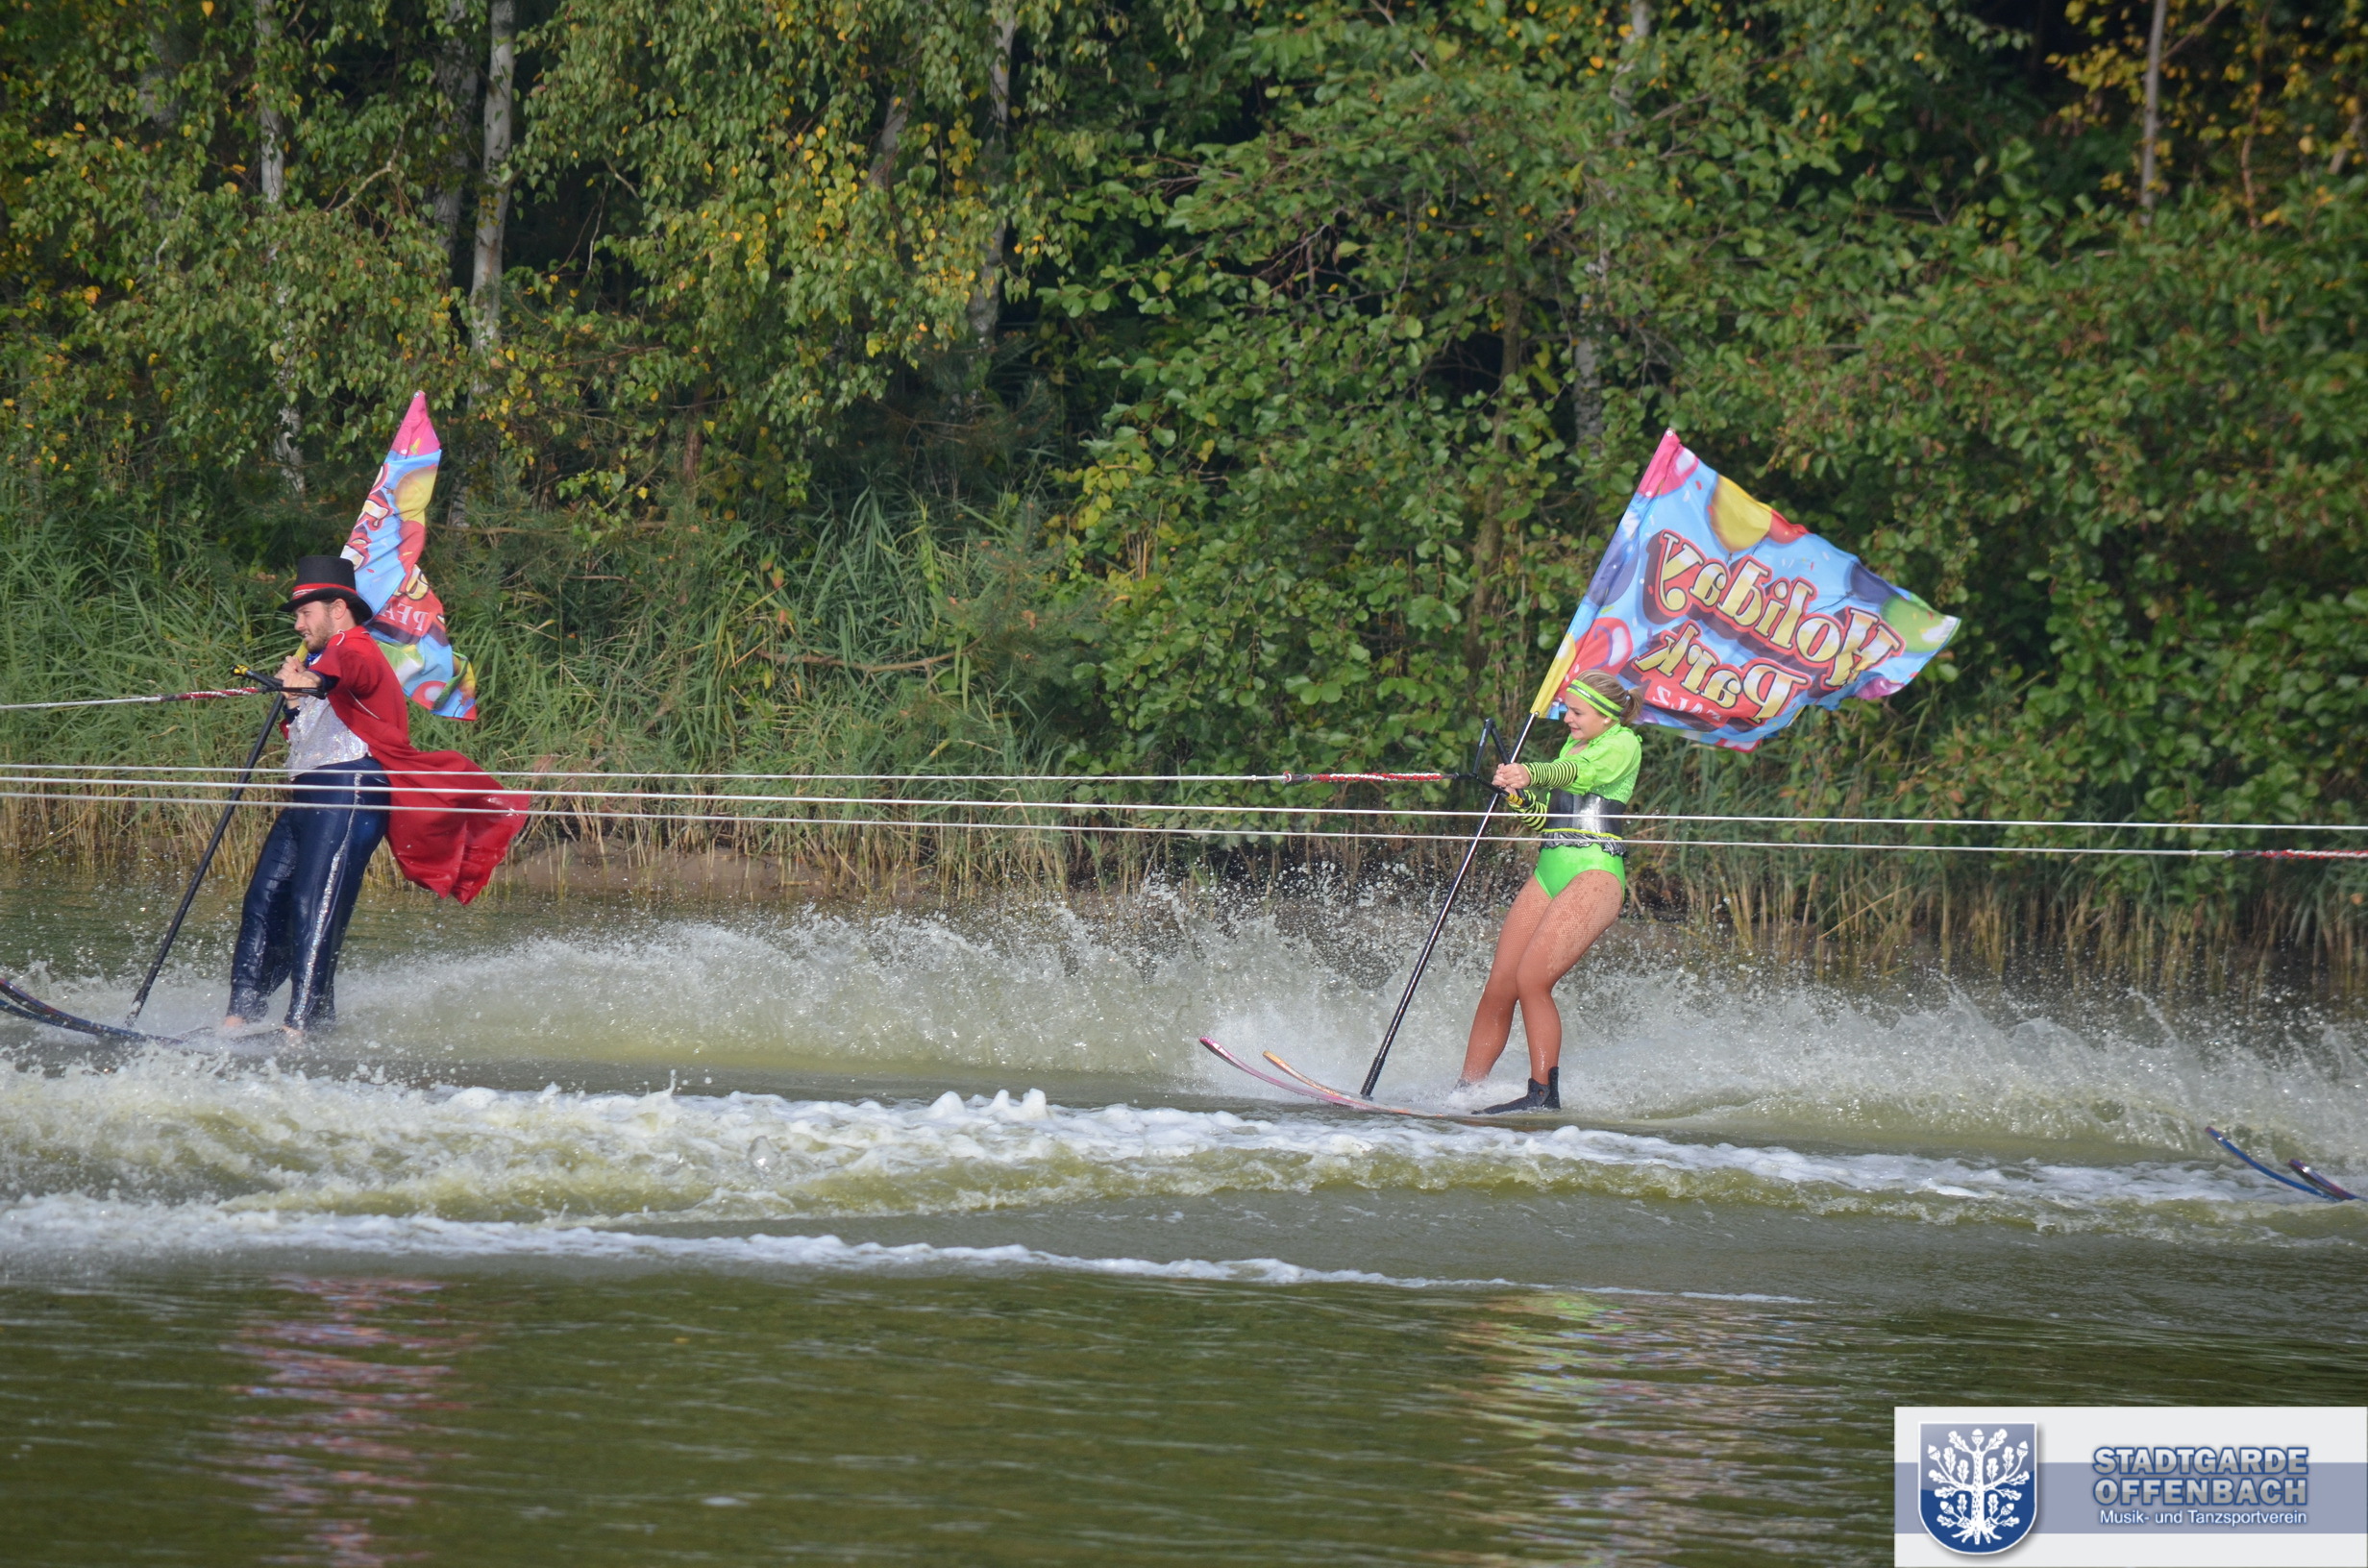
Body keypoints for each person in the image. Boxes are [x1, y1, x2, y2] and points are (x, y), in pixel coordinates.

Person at [225, 555, 524, 1035]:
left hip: (350, 791)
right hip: (308, 796)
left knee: (314, 903)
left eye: (305, 613)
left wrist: (315, 680)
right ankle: (240, 1017)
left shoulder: (355, 647)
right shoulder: (323, 658)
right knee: (265, 898)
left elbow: (350, 669)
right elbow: (310, 734)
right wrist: (295, 700)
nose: (298, 624)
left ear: (337, 609)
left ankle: (302, 1025)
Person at [1457, 667, 1643, 1113]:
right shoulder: (1571, 747)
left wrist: (1530, 772)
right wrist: (1520, 797)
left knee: (1532, 979)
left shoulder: (1623, 743)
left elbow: (1580, 774)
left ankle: (1542, 1093)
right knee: (1501, 983)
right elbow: (1551, 819)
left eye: (1577, 712)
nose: (1567, 719)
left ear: (1606, 716)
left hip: (1594, 875)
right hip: (1549, 871)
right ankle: (1465, 1092)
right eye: (1567, 710)